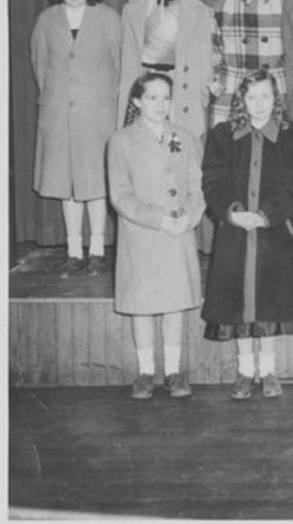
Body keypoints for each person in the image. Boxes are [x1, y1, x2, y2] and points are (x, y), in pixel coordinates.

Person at [201, 69, 293, 400]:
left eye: (266, 96)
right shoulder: (223, 135)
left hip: (276, 233)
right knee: (239, 305)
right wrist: (232, 212)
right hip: (235, 233)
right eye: (252, 98)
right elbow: (213, 181)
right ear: (241, 101)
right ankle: (245, 371)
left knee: (269, 301)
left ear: (276, 99)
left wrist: (267, 215)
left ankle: (268, 370)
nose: (259, 104)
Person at [108, 73, 204, 400]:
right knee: (143, 306)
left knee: (175, 304)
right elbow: (120, 195)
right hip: (142, 236)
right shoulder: (121, 141)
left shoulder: (185, 137)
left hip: (178, 233)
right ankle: (146, 371)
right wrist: (158, 219)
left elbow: (196, 186)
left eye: (166, 98)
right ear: (136, 102)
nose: (160, 105)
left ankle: (174, 372)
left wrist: (188, 218)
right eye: (152, 98)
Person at [31, 0, 121, 277]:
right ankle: (73, 250)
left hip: (97, 117)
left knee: (95, 182)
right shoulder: (46, 19)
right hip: (58, 117)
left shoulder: (108, 18)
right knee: (67, 184)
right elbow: (41, 67)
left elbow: (119, 64)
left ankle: (96, 249)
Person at [118, 0, 215, 139]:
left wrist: (203, 98)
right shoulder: (133, 9)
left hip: (180, 92)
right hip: (144, 89)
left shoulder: (198, 11)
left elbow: (205, 66)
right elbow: (126, 62)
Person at [210, 0, 287, 127]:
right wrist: (214, 81)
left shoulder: (287, 5)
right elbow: (214, 55)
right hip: (232, 94)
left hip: (273, 95)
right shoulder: (220, 7)